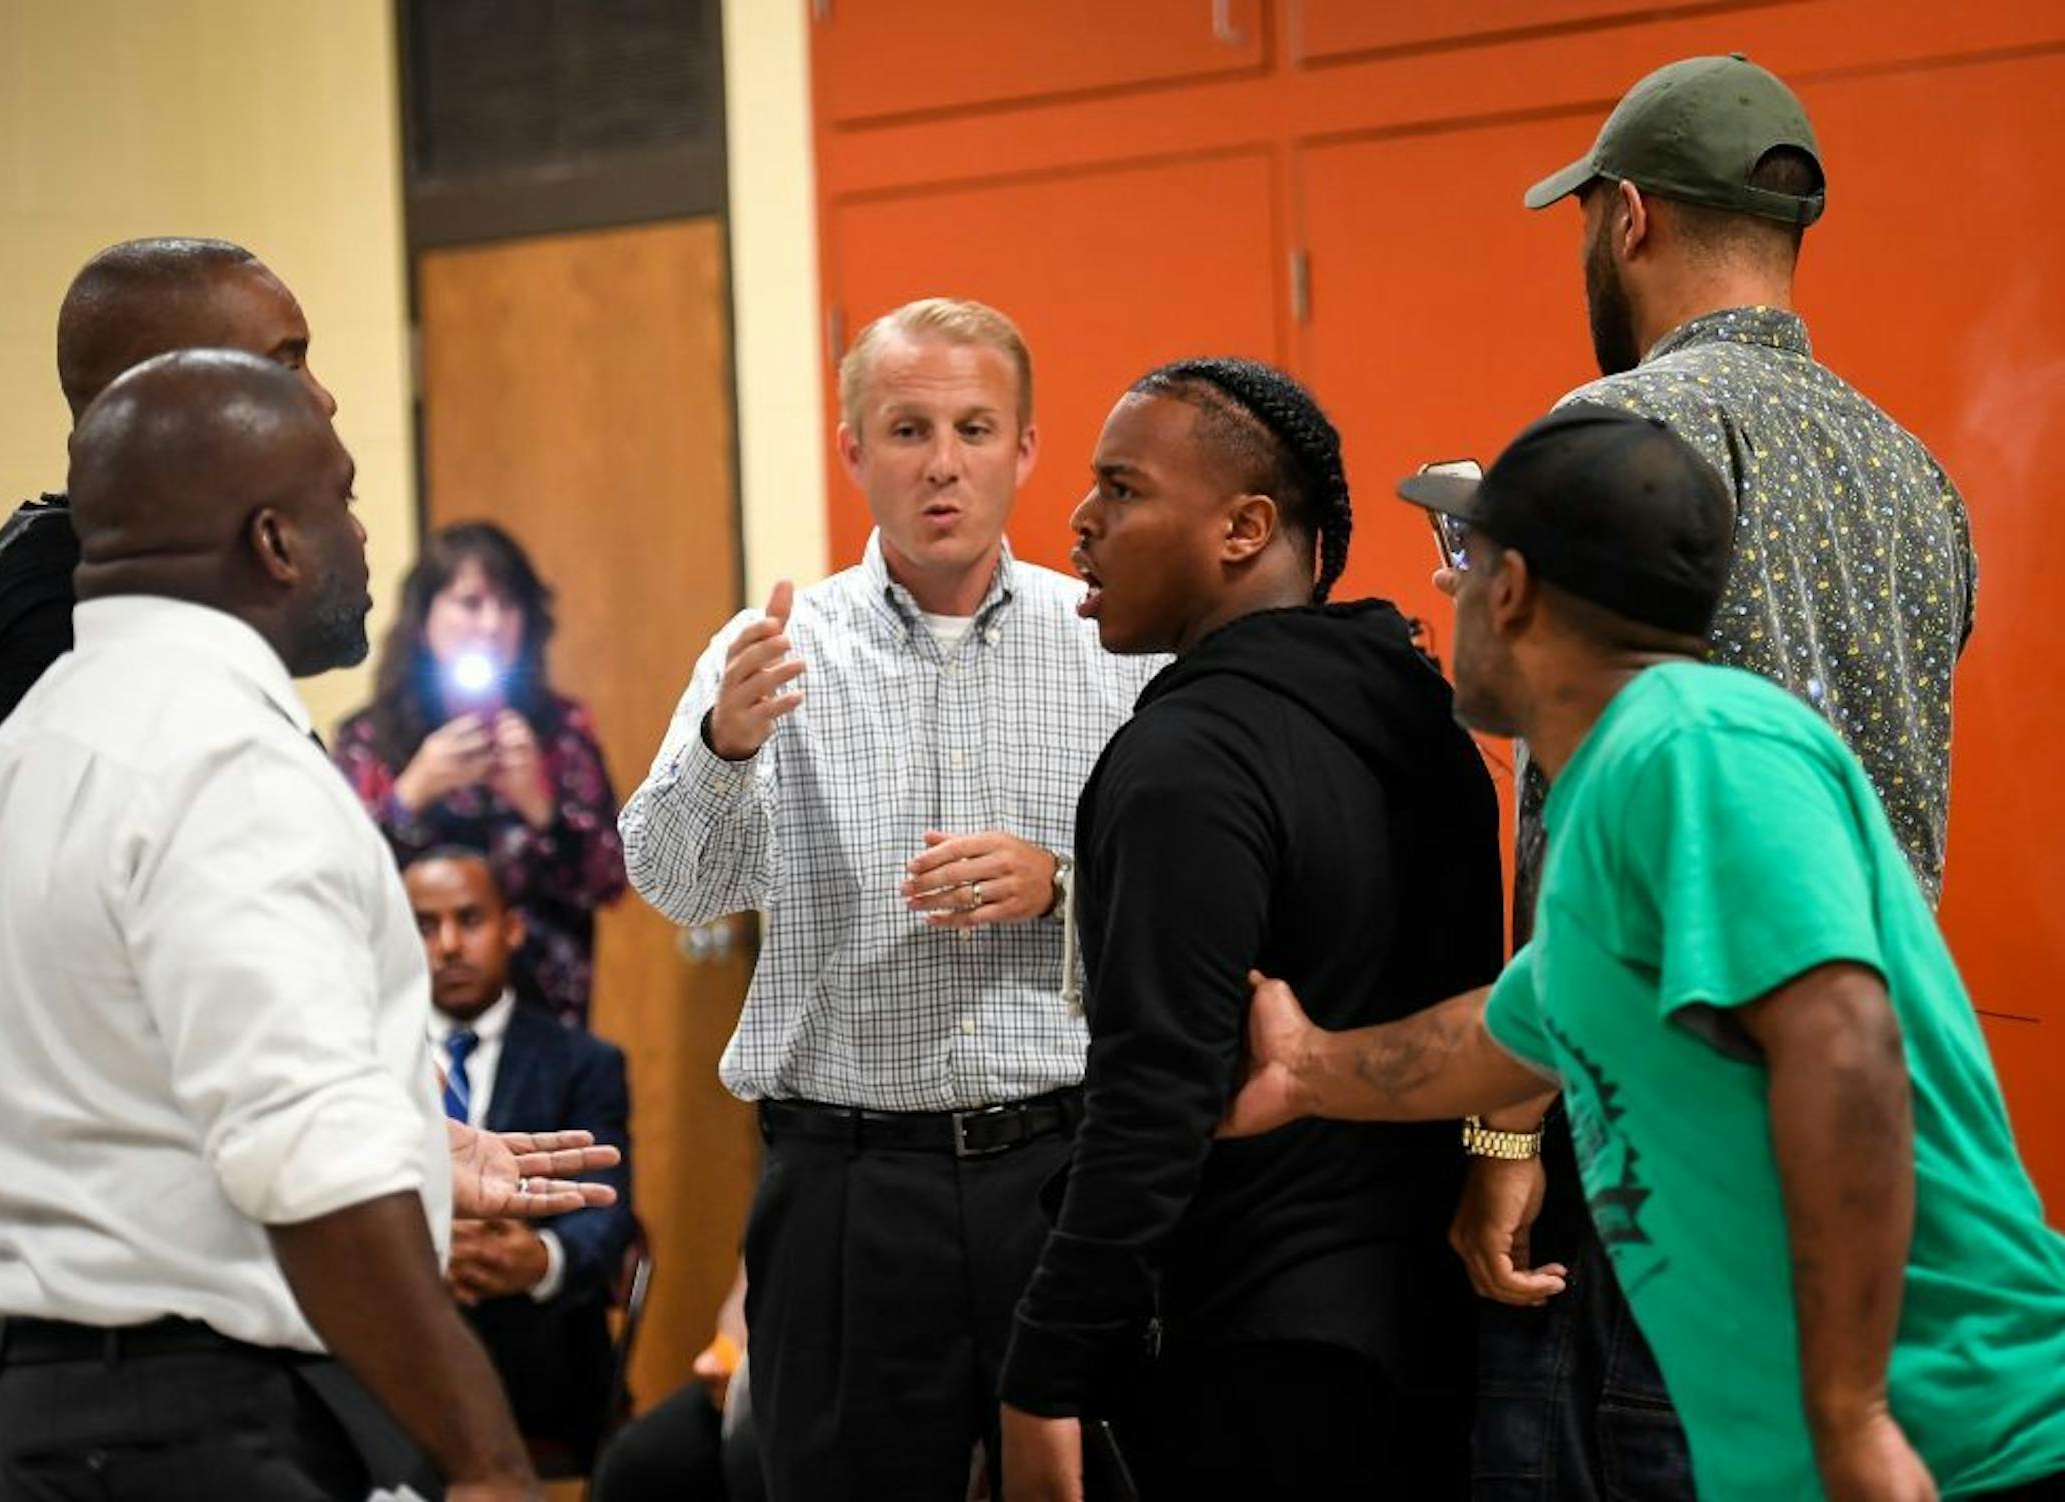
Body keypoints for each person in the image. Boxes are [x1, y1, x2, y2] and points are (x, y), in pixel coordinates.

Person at [1222, 404, 2065, 1502]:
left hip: (1962, 1450)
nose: (1448, 591)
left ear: (1512, 589)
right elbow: (1506, 1034)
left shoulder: (1691, 743)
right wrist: (1306, 1064)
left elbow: (1845, 1040)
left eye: (1464, 563)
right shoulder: (1622, 790)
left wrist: (1852, 1420)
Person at [1455, 55, 1980, 1500]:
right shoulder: (1915, 472)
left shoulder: (1619, 438)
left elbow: (1578, 817)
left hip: (1678, 1148)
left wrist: (1508, 1121)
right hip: (1883, 1134)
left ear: (1627, 218)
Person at [0, 350, 554, 1501]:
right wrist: (485, 1457)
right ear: (274, 540)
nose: (363, 541)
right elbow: (306, 1164)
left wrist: (408, 1134)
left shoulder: (19, 748)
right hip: (162, 1423)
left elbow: (104, 1090)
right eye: (344, 499)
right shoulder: (224, 760)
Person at [621, 297, 1157, 1499]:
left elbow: (1198, 902)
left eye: (976, 427)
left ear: (1026, 450)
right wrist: (723, 744)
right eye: (908, 429)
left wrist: (1060, 883)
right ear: (854, 448)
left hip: (1065, 1166)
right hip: (849, 1187)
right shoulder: (771, 646)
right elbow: (671, 881)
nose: (944, 462)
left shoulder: (1115, 642)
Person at [994, 359, 1499, 1500]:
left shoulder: (1187, 758)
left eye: (1121, 490)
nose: (1079, 522)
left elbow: (1155, 1097)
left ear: (1246, 528)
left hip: (1259, 1355)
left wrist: (1044, 1374)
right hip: (1425, 1333)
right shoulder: (1429, 721)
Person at [0, 236, 335, 937]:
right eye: (283, 365)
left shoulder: (96, 572)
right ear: (159, 395)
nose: (322, 398)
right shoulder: (62, 601)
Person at [336, 523, 629, 1027]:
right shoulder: (371, 737)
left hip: (544, 1023)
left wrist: (541, 809)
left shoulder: (560, 732)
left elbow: (611, 881)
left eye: (509, 606)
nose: (492, 625)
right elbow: (337, 879)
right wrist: (410, 794)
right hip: (406, 1018)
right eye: (471, 603)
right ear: (424, 617)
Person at [407, 846, 636, 1475]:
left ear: (511, 928)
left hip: (533, 1344)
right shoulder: (368, 1055)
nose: (449, 945)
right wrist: (428, 1250)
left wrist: (537, 1261)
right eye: (424, 926)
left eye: (469, 920)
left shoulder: (583, 1063)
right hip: (397, 1326)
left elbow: (607, 1215)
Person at [591, 1260, 764, 1502]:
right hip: (763, 1363)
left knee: (751, 1456)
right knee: (636, 1465)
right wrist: (731, 1348)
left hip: (823, 1382)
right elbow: (755, 1263)